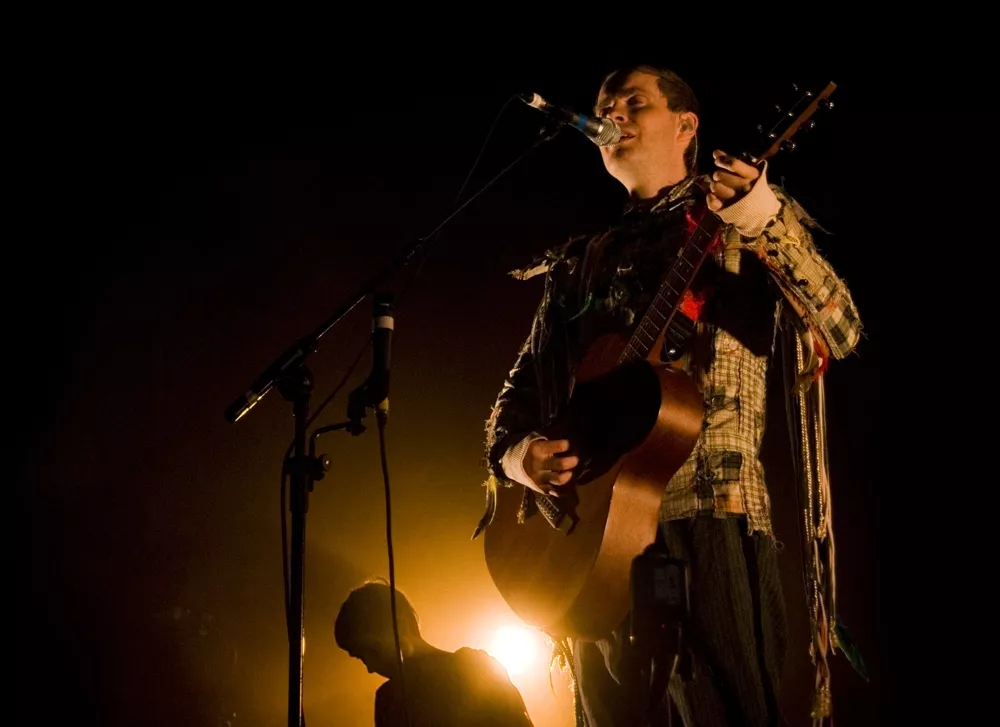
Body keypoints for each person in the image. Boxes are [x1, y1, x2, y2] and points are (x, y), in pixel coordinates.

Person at [474, 65, 863, 726]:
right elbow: (512, 400)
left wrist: (764, 216)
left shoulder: (748, 221)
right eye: (604, 105)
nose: (613, 113)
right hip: (589, 538)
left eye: (635, 101)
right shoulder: (579, 260)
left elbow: (841, 327)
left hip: (709, 511)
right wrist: (521, 457)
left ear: (687, 127)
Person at [334, 578, 536, 727]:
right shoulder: (387, 700)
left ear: (398, 622)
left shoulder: (473, 667)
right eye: (361, 657)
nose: (370, 667)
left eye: (372, 650)